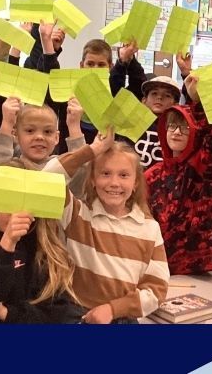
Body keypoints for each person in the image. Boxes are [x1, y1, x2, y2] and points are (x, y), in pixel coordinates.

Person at [44, 130, 168, 323]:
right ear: (93, 179)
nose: (114, 183)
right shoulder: (77, 214)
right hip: (76, 315)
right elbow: (47, 179)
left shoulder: (149, 229)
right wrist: (93, 150)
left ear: (135, 183)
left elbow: (157, 288)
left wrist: (113, 309)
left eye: (124, 175)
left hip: (121, 318)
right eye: (105, 173)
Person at [0, 159, 85, 323]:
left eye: (21, 203)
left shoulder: (50, 253)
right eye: (6, 202)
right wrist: (8, 243)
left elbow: (60, 315)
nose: (13, 213)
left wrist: (8, 314)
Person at [144, 74, 212, 274]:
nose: (176, 132)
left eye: (184, 127)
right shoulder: (153, 174)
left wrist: (198, 101)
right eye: (172, 125)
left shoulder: (204, 169)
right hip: (156, 262)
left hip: (197, 267)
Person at [0, 97, 87, 194]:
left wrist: (74, 126)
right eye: (30, 130)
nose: (39, 137)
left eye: (47, 131)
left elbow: (81, 182)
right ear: (15, 135)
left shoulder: (63, 166)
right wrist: (7, 123)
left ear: (56, 137)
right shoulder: (9, 165)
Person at [133, 75, 182, 169]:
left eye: (167, 95)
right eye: (154, 93)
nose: (159, 97)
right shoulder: (130, 123)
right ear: (143, 100)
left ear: (176, 105)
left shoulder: (178, 130)